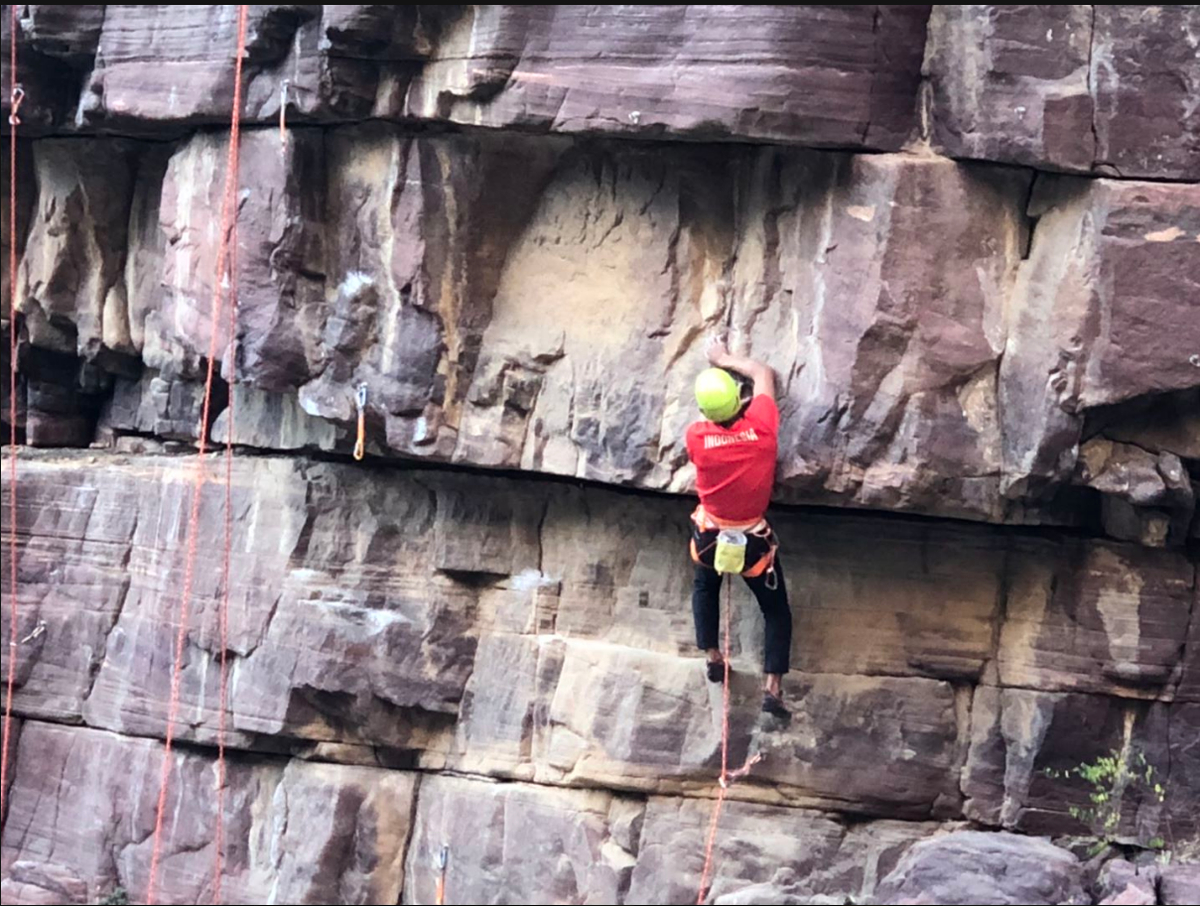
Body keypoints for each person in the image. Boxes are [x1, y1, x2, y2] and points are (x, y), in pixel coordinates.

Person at [685, 338, 792, 719]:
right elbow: (764, 373)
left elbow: (708, 425)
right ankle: (773, 689)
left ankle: (713, 655)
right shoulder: (762, 428)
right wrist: (724, 359)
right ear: (739, 400)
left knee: (705, 585)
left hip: (712, 537)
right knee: (776, 611)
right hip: (753, 544)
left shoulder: (697, 438)